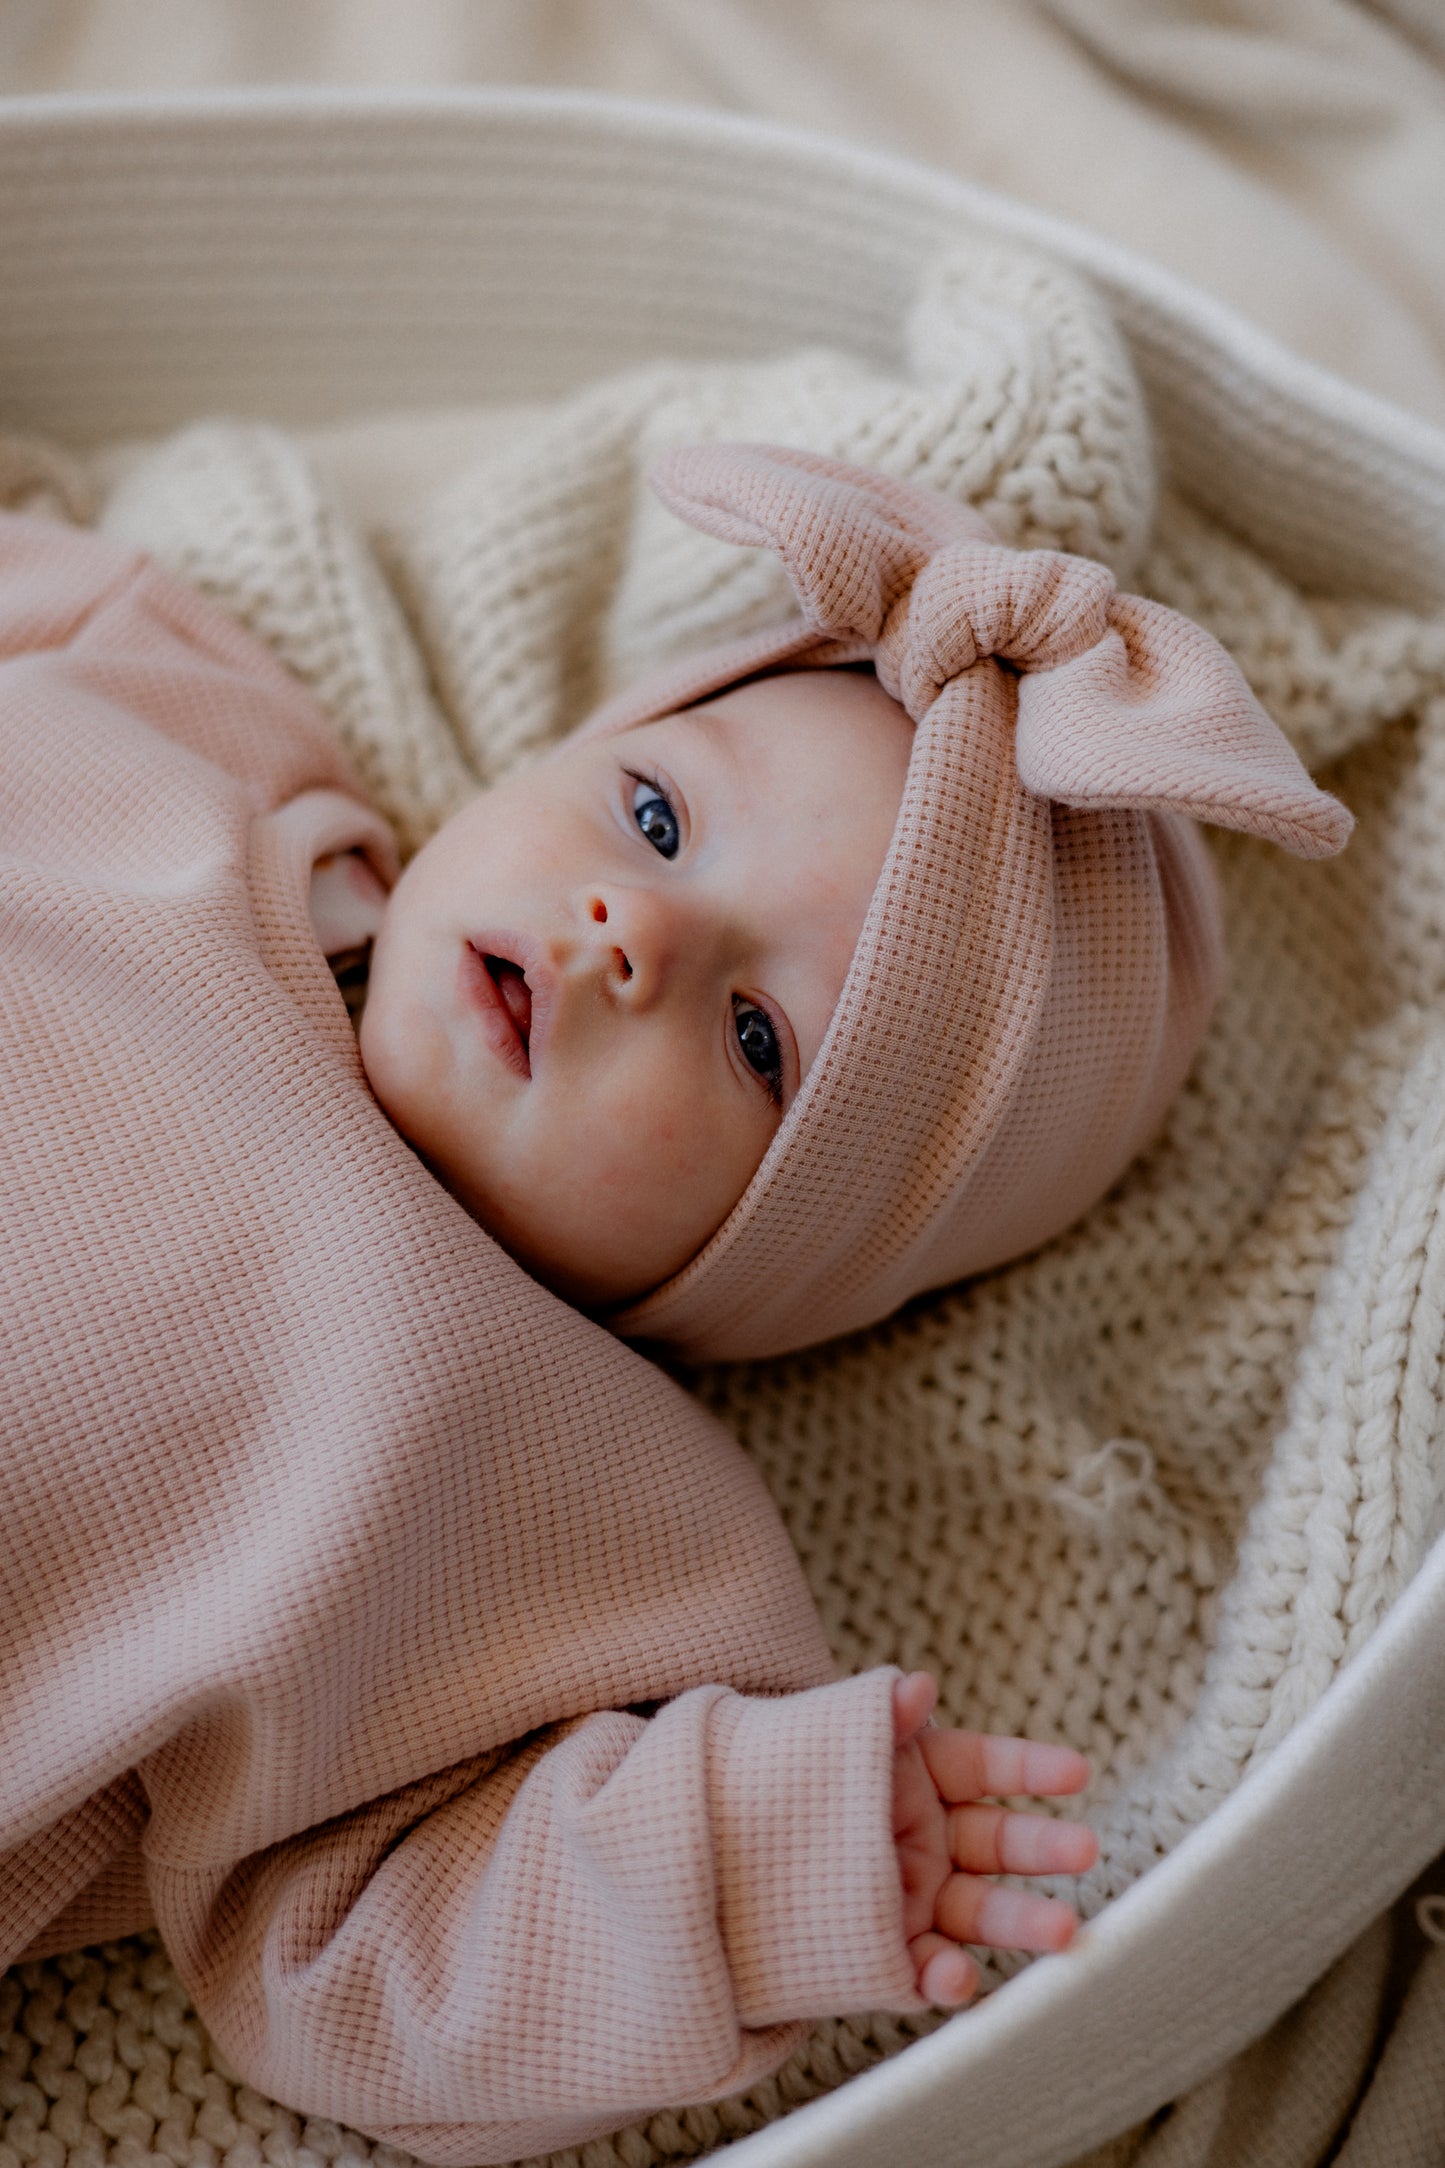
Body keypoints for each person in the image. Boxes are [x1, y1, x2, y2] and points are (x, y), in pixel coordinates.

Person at [0, 443, 1350, 2165]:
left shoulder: (557, 1524)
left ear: (768, 1269)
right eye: (654, 814)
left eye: (756, 1040)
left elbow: (384, 1958)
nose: (633, 927)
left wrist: (743, 1868)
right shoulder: (165, 723)